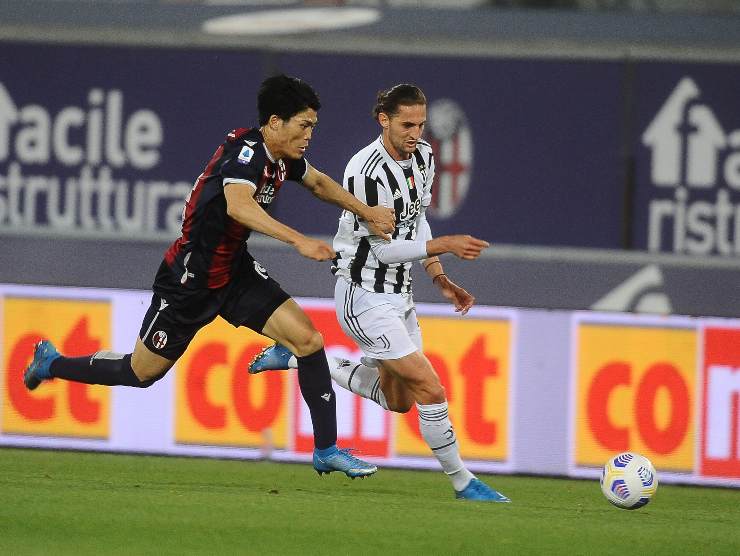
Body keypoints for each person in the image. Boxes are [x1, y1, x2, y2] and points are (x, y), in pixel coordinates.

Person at [23, 74, 397, 479]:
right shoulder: (247, 152)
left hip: (233, 272)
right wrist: (299, 241)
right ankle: (52, 363)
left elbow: (320, 183)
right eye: (304, 126)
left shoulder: (283, 158)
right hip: (189, 280)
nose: (309, 135)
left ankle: (326, 449)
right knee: (139, 373)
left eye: (313, 128)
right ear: (275, 122)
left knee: (308, 340)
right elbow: (238, 205)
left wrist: (367, 212)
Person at [250, 84, 510, 502]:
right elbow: (384, 249)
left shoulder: (423, 157)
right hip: (363, 294)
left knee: (400, 400)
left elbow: (416, 220)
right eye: (407, 124)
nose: (416, 133)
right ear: (383, 120)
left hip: (400, 295)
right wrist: (442, 245)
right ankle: (464, 482)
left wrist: (438, 274)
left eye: (422, 124)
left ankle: (302, 358)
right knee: (431, 388)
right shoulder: (366, 171)